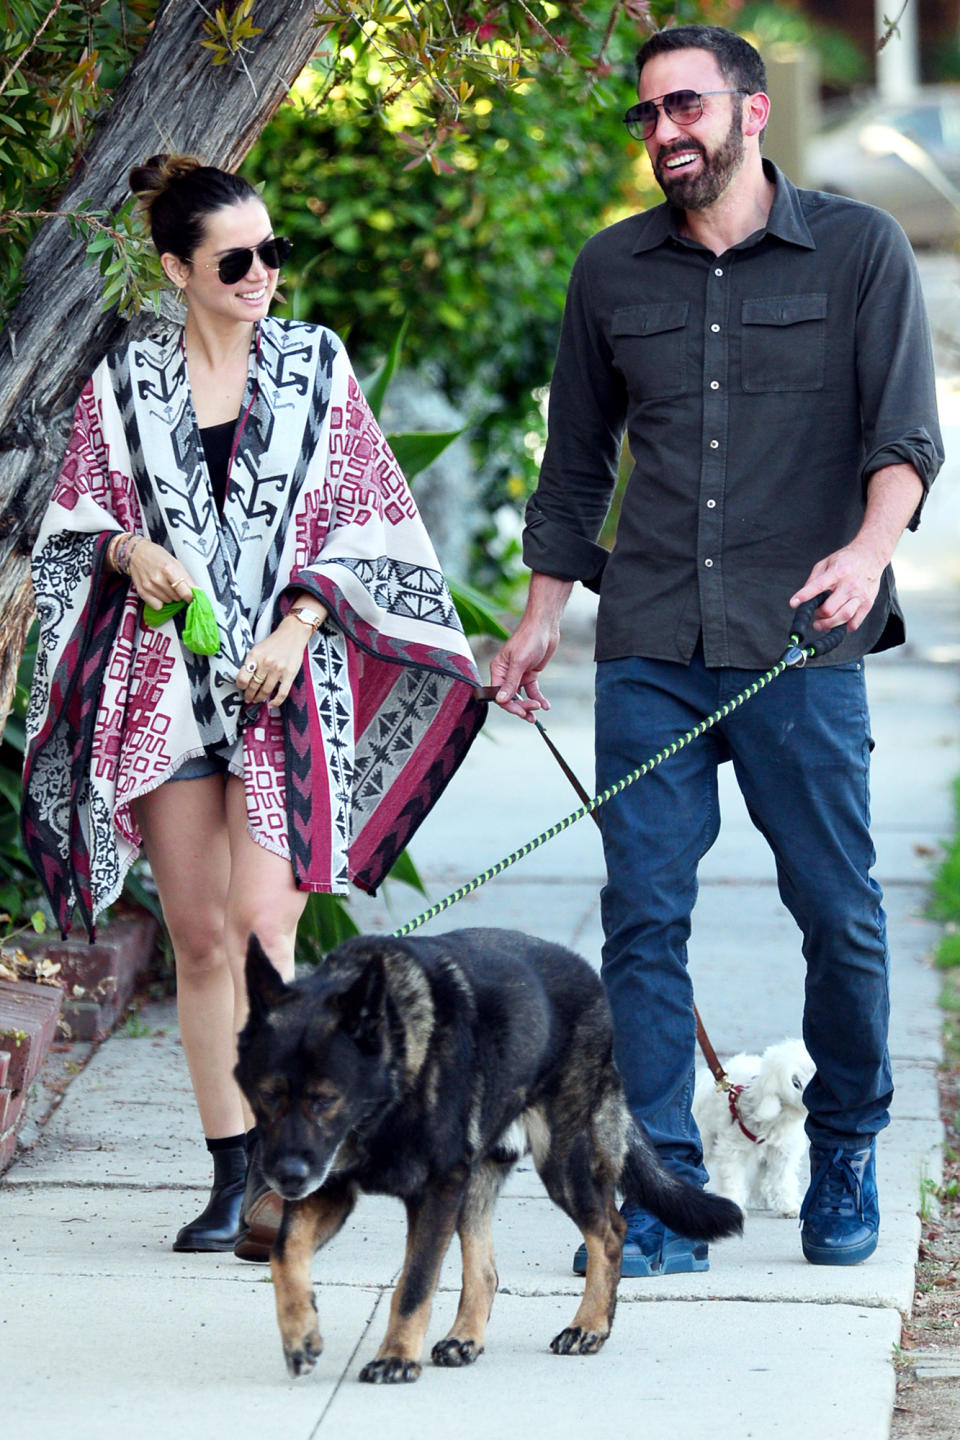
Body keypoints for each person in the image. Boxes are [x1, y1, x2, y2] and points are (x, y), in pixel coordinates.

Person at [490, 26, 943, 1275]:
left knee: (839, 911)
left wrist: (867, 551)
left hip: (803, 641)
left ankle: (848, 1143)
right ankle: (666, 1190)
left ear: (750, 111)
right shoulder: (611, 272)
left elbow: (906, 435)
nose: (664, 133)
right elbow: (575, 465)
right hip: (647, 642)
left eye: (684, 106)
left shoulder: (858, 250)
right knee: (642, 914)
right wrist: (537, 623)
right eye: (646, 116)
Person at [22, 154, 486, 1259]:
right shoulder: (122, 383)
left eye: (274, 251)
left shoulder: (317, 367)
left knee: (263, 931)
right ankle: (231, 1176)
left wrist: (301, 623)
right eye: (237, 259)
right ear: (178, 267)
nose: (264, 273)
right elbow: (72, 531)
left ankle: (292, 1164)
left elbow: (370, 515)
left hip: (284, 688)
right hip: (164, 691)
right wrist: (130, 549)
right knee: (195, 940)